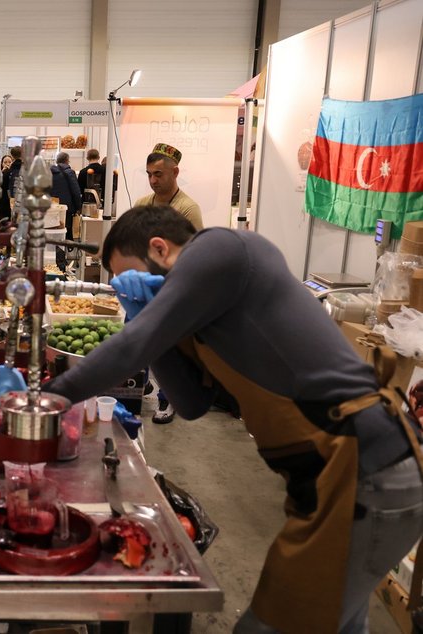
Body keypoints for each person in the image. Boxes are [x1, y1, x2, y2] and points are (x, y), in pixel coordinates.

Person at [42, 205, 422, 634]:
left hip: (366, 471)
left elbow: (132, 347)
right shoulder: (206, 309)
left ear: (160, 248)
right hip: (331, 479)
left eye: (125, 274)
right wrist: (148, 320)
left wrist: (42, 399)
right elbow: (191, 403)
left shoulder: (223, 250)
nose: (121, 287)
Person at [132, 142, 204, 424]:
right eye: (149, 174)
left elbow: (194, 254)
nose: (153, 180)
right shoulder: (142, 204)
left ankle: (168, 400)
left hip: (171, 289)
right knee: (137, 340)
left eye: (159, 174)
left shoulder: (187, 209)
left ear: (175, 172)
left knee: (169, 348)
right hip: (141, 287)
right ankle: (137, 387)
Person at [50, 152, 82, 252]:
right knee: (66, 230)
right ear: (67, 160)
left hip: (52, 206)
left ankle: (54, 253)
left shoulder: (50, 172)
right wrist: (78, 207)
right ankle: (65, 254)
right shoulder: (69, 172)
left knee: (53, 230)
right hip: (66, 207)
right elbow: (76, 191)